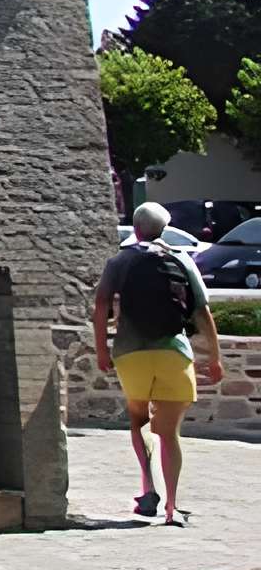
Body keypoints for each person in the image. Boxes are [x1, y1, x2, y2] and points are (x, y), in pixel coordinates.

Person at [92, 201, 224, 524]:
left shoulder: (119, 261)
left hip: (131, 353)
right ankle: (172, 507)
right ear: (164, 229)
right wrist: (215, 357)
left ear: (136, 230)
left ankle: (148, 488)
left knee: (139, 419)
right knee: (170, 432)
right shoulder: (180, 259)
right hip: (173, 353)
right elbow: (202, 312)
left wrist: (101, 351)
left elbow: (100, 305)